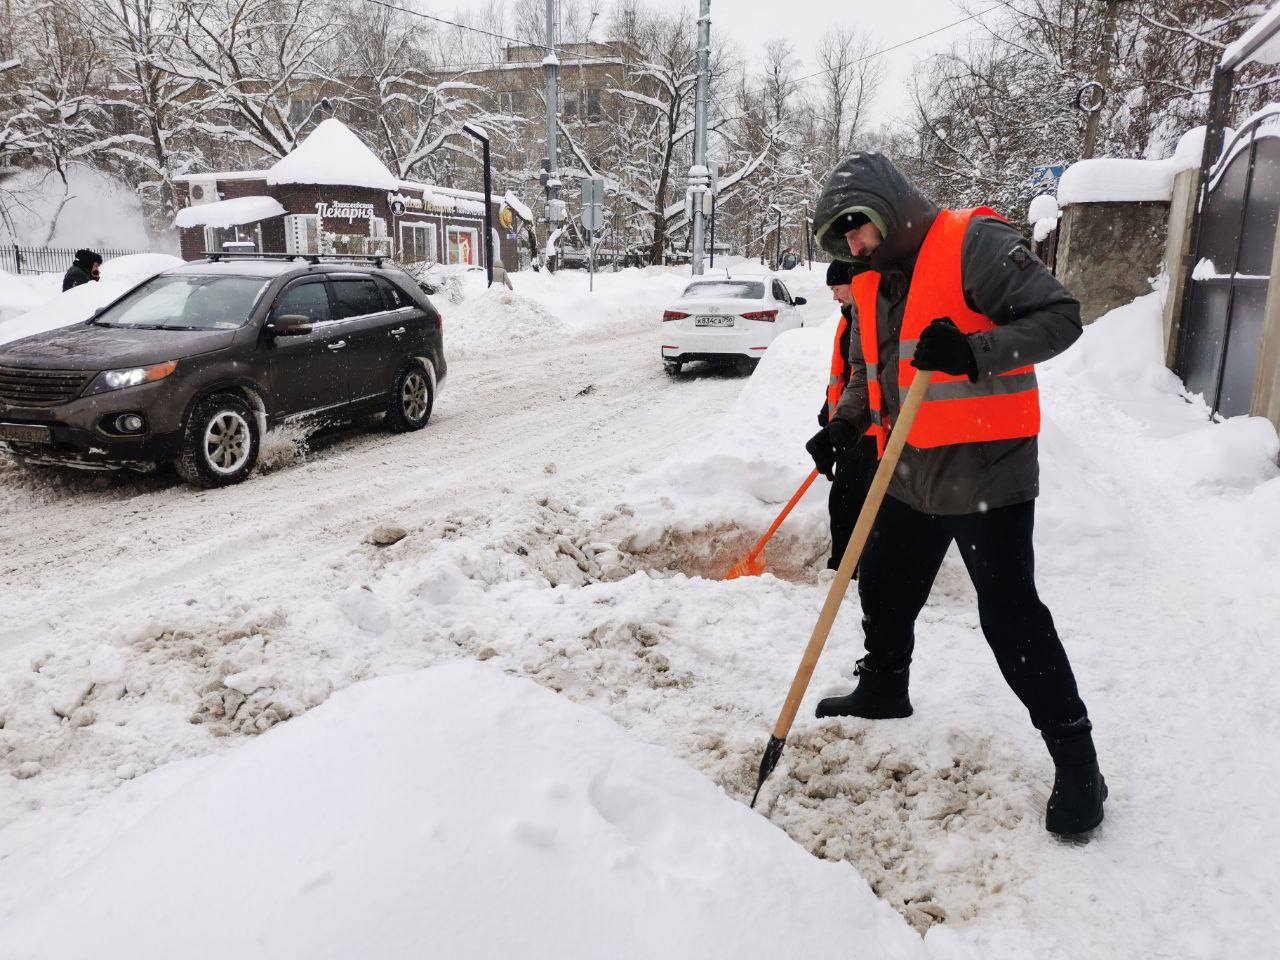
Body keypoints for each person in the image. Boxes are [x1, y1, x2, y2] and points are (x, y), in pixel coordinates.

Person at [807, 152, 1105, 836]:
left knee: (1010, 616)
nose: (852, 245)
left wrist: (977, 352)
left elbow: (1060, 317)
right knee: (883, 581)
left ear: (887, 207)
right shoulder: (875, 279)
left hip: (986, 471)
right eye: (842, 238)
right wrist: (846, 423)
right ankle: (885, 685)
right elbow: (868, 368)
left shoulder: (974, 241)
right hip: (909, 467)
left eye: (857, 229)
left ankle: (1077, 757)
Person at [809, 259, 878, 571]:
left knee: (853, 503)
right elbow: (845, 372)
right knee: (845, 502)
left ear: (854, 283)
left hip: (870, 431)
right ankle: (845, 565)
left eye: (837, 288)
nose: (834, 295)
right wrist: (830, 409)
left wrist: (845, 420)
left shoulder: (872, 318)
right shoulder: (848, 318)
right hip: (848, 425)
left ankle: (849, 568)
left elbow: (868, 377)